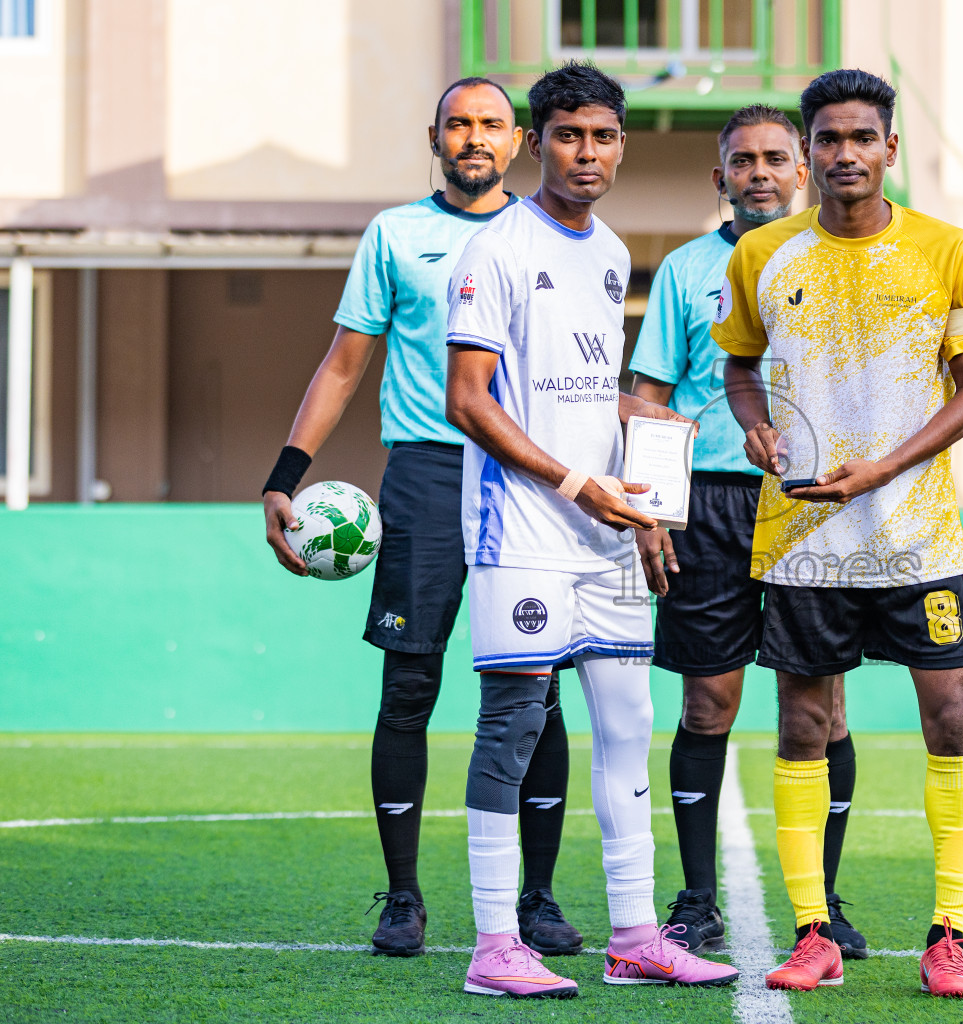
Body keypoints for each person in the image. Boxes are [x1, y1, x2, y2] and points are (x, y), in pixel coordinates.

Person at [259, 77, 581, 958]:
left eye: (488, 125)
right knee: (409, 687)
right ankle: (402, 898)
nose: (473, 138)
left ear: (517, 140)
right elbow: (342, 365)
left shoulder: (550, 234)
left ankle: (539, 898)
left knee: (534, 690)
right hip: (427, 478)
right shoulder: (396, 235)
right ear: (433, 137)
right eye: (457, 125)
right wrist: (286, 475)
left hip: (526, 482)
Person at [442, 61, 738, 998]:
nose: (587, 152)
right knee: (513, 728)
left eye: (604, 136)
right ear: (536, 143)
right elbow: (468, 400)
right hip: (522, 527)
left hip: (605, 532)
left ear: (621, 146)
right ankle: (495, 947)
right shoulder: (492, 250)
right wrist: (577, 481)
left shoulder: (611, 251)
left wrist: (645, 486)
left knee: (628, 725)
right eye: (568, 135)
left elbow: (590, 392)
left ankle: (637, 935)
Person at [716, 69, 963, 998]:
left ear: (889, 149)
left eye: (861, 138)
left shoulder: (949, 251)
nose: (844, 155)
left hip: (920, 537)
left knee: (950, 719)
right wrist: (753, 422)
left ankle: (947, 935)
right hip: (802, 538)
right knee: (802, 724)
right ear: (807, 153)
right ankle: (813, 932)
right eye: (827, 140)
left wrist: (881, 469)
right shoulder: (761, 254)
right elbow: (741, 367)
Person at [628, 104, 865, 958]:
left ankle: (822, 903)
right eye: (741, 161)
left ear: (802, 167)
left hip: (815, 504)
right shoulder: (689, 271)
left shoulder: (839, 260)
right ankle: (695, 900)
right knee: (708, 702)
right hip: (712, 507)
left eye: (774, 157)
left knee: (823, 710)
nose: (759, 172)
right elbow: (648, 400)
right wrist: (651, 510)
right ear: (718, 176)